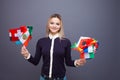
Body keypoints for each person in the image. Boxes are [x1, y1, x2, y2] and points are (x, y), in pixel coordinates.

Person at [21, 13, 86, 80]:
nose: (54, 26)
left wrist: (77, 62)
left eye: (57, 24)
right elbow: (35, 61)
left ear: (60, 26)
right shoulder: (41, 41)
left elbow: (68, 62)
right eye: (52, 23)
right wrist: (27, 55)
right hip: (44, 78)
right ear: (48, 25)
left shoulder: (66, 42)